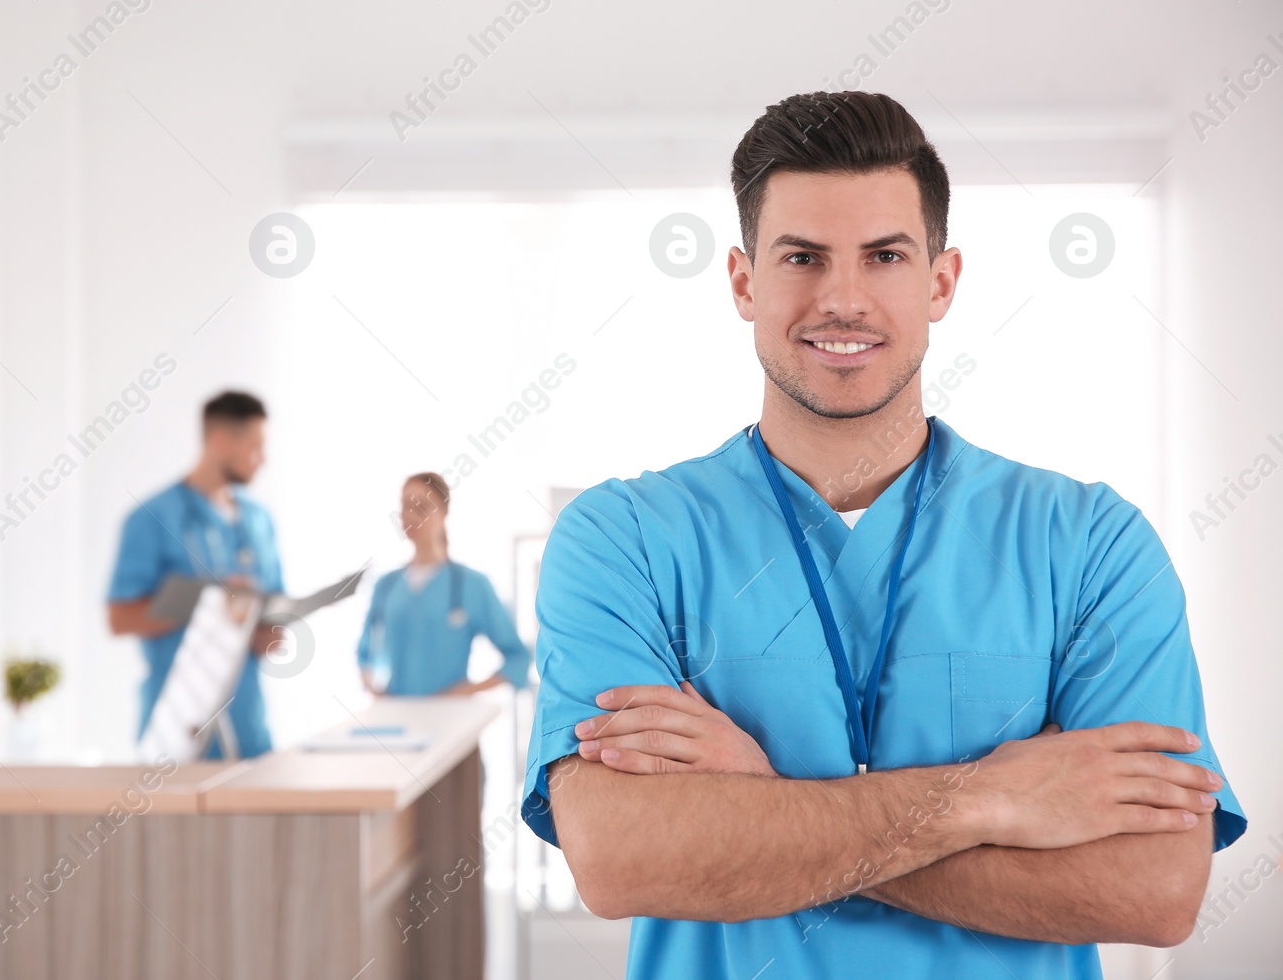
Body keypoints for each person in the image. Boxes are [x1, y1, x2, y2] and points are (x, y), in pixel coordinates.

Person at [522, 91, 1246, 978]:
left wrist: (766, 807)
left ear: (940, 281)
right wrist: (992, 798)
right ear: (744, 282)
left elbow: (1154, 889)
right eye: (802, 257)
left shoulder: (1089, 544)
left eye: (885, 255)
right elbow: (621, 857)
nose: (843, 298)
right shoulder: (624, 539)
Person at [107, 390, 284, 759]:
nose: (263, 460)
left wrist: (266, 626)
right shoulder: (152, 518)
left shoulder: (259, 521)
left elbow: (273, 635)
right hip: (177, 736)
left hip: (251, 731)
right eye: (254, 447)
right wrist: (211, 601)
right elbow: (120, 618)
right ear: (220, 441)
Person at [357, 473, 531, 697]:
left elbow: (517, 657)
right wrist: (372, 685)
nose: (411, 515)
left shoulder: (472, 585)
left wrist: (463, 692)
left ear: (444, 512)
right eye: (406, 506)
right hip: (397, 719)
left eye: (421, 507)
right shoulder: (386, 586)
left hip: (452, 718)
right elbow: (365, 653)